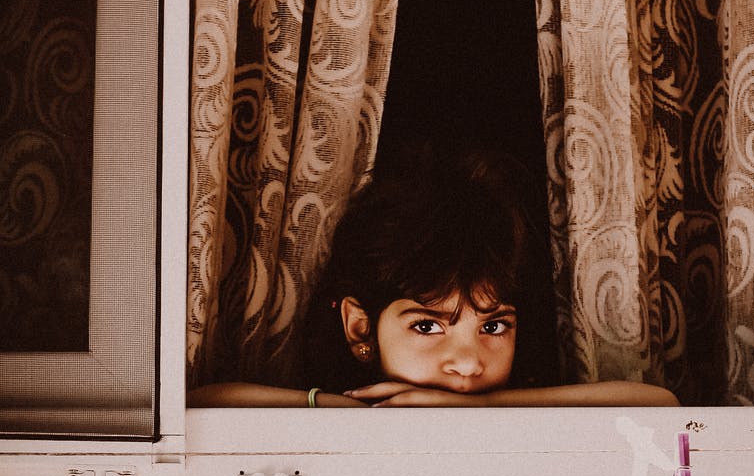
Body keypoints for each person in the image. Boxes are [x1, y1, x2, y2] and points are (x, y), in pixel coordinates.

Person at [188, 148, 679, 409]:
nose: (467, 362)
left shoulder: (513, 415)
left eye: (493, 326)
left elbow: (655, 402)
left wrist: (484, 410)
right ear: (360, 327)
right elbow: (211, 402)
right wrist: (346, 412)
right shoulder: (347, 413)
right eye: (427, 326)